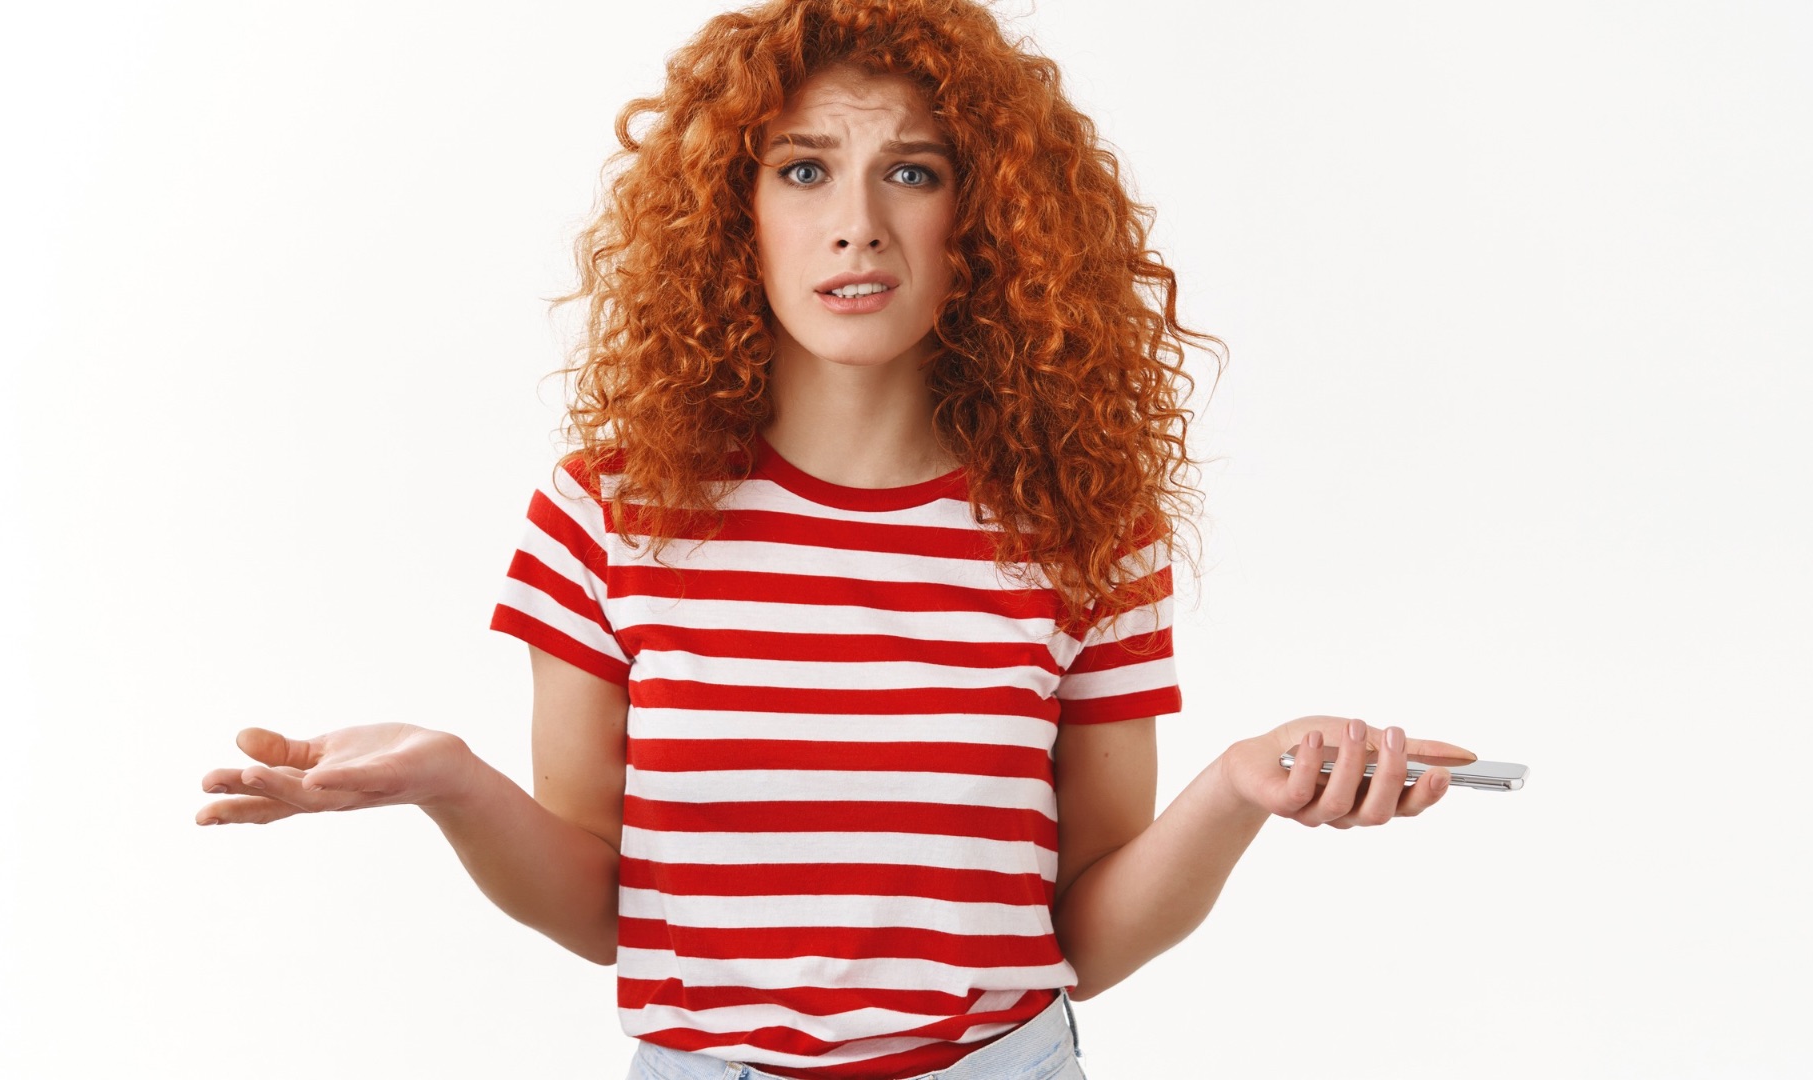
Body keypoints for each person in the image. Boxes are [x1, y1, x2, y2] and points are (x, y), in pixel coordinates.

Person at [195, 2, 1474, 1077]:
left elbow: (1082, 938)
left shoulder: (1084, 532)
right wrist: (453, 783)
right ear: (734, 211)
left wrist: (1238, 790)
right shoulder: (609, 512)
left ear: (984, 223)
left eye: (912, 172)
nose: (857, 220)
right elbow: (603, 914)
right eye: (803, 170)